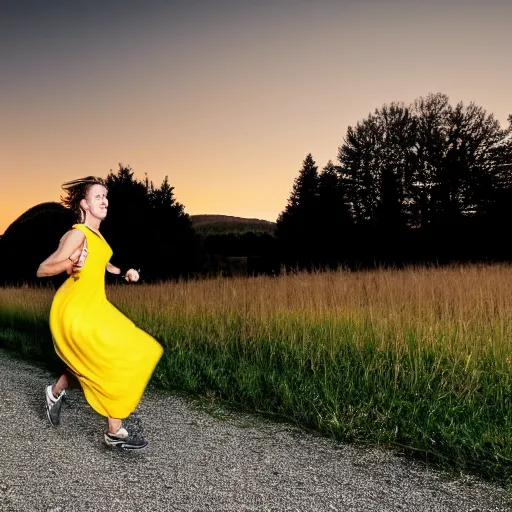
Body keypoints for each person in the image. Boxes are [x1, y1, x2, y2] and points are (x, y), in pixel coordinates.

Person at [36, 176, 163, 450]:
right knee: (133, 349)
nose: (105, 201)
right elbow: (43, 269)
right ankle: (114, 430)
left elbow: (102, 265)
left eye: (106, 196)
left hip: (95, 305)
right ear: (84, 204)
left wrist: (124, 272)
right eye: (98, 197)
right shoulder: (77, 234)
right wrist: (70, 262)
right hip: (76, 308)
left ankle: (54, 393)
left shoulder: (96, 235)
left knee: (91, 358)